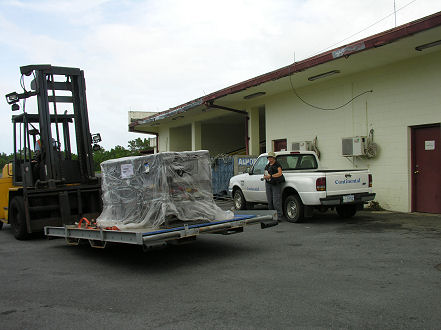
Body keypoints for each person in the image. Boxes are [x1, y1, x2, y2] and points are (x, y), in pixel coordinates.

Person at [263, 151, 284, 221]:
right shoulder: (267, 166)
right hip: (268, 184)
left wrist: (271, 176)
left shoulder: (277, 164)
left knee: (276, 201)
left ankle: (279, 216)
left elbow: (280, 173)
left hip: (276, 184)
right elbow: (265, 173)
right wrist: (265, 176)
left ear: (274, 158)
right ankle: (272, 216)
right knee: (270, 201)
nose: (270, 159)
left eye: (271, 157)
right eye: (269, 157)